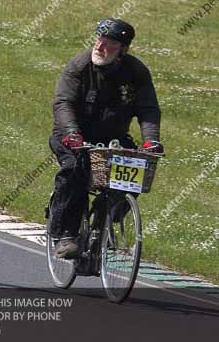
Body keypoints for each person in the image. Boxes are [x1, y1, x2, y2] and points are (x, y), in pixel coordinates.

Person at [49, 18, 162, 259]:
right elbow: (63, 102)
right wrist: (71, 132)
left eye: (109, 43)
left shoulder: (136, 72)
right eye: (99, 40)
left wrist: (150, 141)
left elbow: (148, 109)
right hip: (73, 136)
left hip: (113, 137)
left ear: (123, 49)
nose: (100, 46)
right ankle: (66, 234)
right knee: (74, 171)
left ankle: (106, 221)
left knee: (135, 169)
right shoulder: (79, 66)